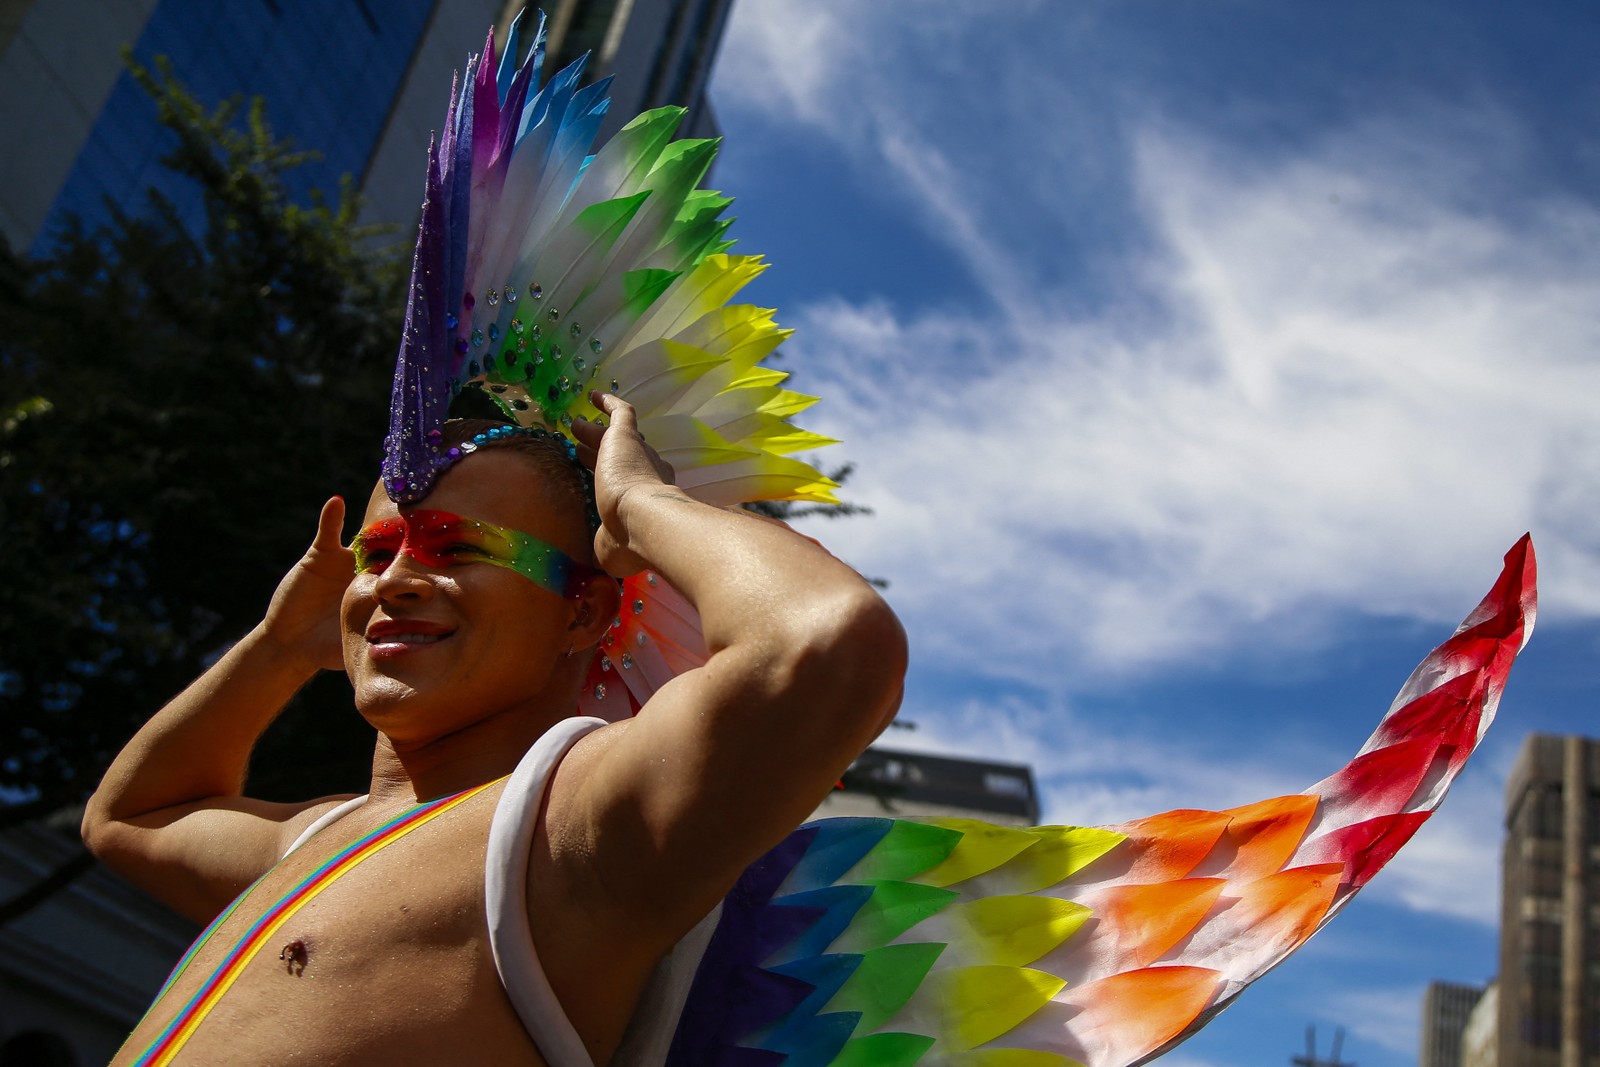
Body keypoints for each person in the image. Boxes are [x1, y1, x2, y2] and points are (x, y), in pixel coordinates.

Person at [81, 395, 908, 1066]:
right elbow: (128, 818)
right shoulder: (310, 836)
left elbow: (823, 639)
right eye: (376, 551)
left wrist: (642, 504)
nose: (397, 579)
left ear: (582, 610)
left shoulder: (571, 828)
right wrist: (276, 648)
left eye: (458, 547)